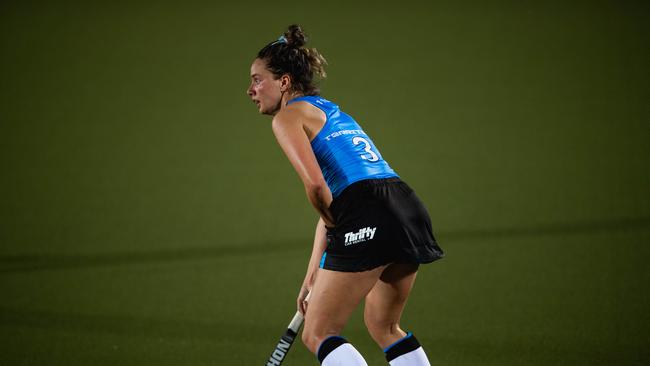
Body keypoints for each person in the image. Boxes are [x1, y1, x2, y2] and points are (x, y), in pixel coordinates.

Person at [247, 24, 444, 366]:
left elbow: (317, 189)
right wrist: (313, 273)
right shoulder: (327, 109)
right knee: (384, 326)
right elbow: (334, 204)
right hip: (404, 205)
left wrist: (336, 226)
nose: (250, 89)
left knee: (318, 332)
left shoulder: (288, 117)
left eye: (257, 79)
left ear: (284, 81)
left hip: (366, 211)